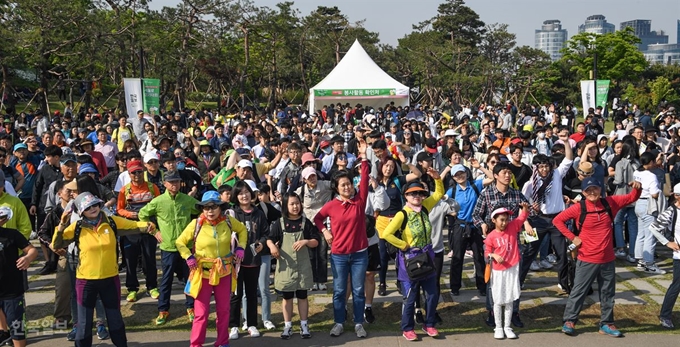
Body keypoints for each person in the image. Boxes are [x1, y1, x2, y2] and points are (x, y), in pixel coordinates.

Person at [52, 192, 156, 347]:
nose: (93, 208)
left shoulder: (111, 221)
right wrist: (62, 224)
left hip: (110, 279)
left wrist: (148, 225)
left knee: (115, 320)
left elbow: (133, 226)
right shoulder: (77, 227)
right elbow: (57, 243)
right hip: (85, 282)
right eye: (88, 207)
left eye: (95, 204)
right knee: (84, 324)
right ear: (81, 211)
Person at [554, 177, 642, 337]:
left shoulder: (610, 203)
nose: (592, 192)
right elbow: (557, 220)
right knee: (578, 292)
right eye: (588, 190)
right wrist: (573, 237)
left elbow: (632, 197)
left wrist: (637, 188)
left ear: (601, 189)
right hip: (586, 258)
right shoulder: (579, 208)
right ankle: (569, 321)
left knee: (608, 293)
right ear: (583, 192)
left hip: (608, 259)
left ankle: (607, 323)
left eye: (595, 188)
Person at [175, 191, 248, 347]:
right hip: (202, 273)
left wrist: (241, 247)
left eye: (214, 207)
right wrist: (188, 256)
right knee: (201, 314)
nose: (210, 211)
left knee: (223, 310)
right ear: (202, 209)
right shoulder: (196, 224)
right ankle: (196, 344)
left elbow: (242, 230)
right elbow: (180, 242)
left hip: (224, 272)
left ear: (220, 207)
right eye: (206, 207)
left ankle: (222, 342)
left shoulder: (228, 221)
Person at [313, 138, 369, 338]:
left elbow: (364, 179)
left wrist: (363, 157)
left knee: (358, 290)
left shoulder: (359, 201)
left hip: (360, 254)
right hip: (338, 255)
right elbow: (317, 218)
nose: (347, 187)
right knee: (338, 291)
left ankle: (358, 323)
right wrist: (325, 232)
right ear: (336, 187)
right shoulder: (332, 205)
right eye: (343, 185)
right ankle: (338, 322)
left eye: (348, 184)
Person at [382, 169, 443, 341]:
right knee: (410, 297)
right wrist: (403, 245)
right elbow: (387, 234)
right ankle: (407, 327)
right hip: (409, 260)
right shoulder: (402, 214)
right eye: (412, 193)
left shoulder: (425, 207)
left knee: (432, 294)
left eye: (419, 193)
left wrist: (437, 179)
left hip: (427, 258)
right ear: (406, 196)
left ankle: (429, 324)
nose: (416, 196)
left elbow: (439, 193)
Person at [138, 171, 200, 325]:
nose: (174, 185)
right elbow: (142, 214)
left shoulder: (187, 200)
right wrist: (154, 231)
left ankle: (191, 307)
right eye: (171, 182)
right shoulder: (158, 201)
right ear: (164, 183)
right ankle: (163, 309)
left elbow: (201, 212)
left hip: (186, 247)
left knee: (190, 278)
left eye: (177, 181)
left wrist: (196, 231)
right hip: (168, 247)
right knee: (166, 279)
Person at [267, 192, 320, 339]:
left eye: (297, 203)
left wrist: (306, 242)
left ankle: (304, 324)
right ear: (285, 206)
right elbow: (270, 239)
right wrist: (272, 247)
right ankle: (288, 325)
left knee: (303, 296)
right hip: (286, 267)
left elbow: (316, 241)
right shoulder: (280, 223)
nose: (295, 206)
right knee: (287, 297)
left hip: (302, 266)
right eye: (292, 204)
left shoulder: (305, 222)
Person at [228, 180, 270, 340]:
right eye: (240, 193)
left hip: (253, 259)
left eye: (246, 192)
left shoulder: (258, 213)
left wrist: (261, 243)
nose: (244, 195)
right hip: (235, 261)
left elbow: (266, 233)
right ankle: (233, 326)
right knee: (235, 294)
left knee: (252, 293)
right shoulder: (232, 213)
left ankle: (252, 324)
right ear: (236, 196)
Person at [485, 203, 530, 339]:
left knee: (510, 298)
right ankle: (498, 327)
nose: (505, 223)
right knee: (498, 299)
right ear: (494, 220)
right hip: (498, 271)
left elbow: (522, 217)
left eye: (506, 219)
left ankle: (507, 326)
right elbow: (486, 253)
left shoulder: (513, 226)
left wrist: (525, 209)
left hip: (512, 267)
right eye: (501, 220)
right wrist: (493, 255)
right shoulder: (491, 236)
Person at [0, 206, 38, 347]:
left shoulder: (12, 234)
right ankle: (3, 333)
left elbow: (32, 250)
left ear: (3, 220)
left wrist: (27, 258)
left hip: (12, 290)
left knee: (17, 328)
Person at [649, 182, 680, 329]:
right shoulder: (671, 211)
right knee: (676, 286)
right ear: (677, 196)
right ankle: (665, 315)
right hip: (679, 256)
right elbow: (653, 227)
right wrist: (667, 243)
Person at [633, 151, 666, 274]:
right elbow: (654, 193)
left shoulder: (637, 172)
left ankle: (640, 260)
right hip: (648, 205)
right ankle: (649, 263)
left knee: (641, 233)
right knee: (650, 235)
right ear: (651, 162)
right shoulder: (651, 176)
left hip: (638, 204)